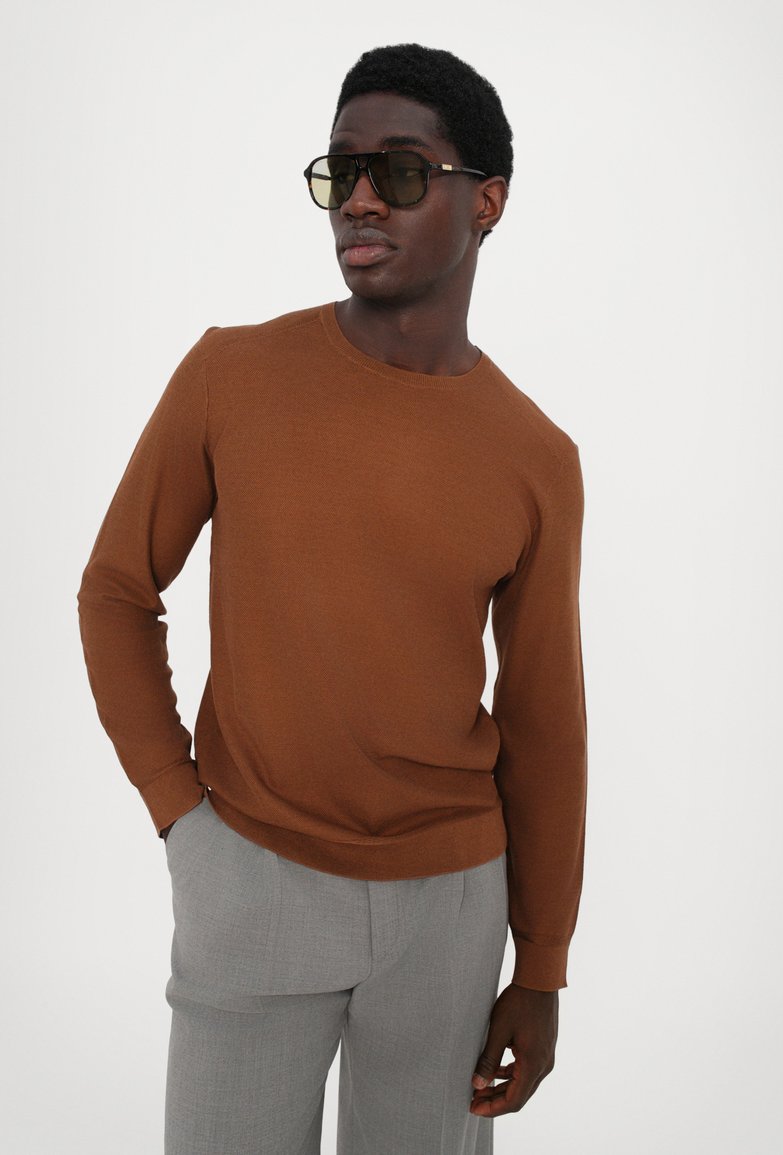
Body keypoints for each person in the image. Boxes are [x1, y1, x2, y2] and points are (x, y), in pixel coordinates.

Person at [76, 41, 587, 1155]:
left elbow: (544, 720)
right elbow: (116, 589)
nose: (359, 198)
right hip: (251, 874)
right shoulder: (230, 374)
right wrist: (179, 811)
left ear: (486, 200)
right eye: (341, 170)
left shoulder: (535, 457)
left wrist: (541, 965)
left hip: (452, 904)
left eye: (398, 171)